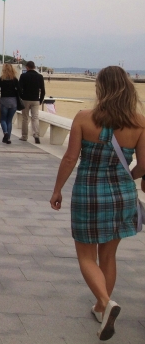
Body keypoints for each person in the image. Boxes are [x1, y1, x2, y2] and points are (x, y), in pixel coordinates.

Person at [49, 66, 145, 341]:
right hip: (122, 195)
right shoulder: (139, 122)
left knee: (86, 256)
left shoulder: (83, 118)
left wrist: (57, 190)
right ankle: (102, 308)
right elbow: (144, 166)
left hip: (88, 193)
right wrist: (129, 175)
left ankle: (105, 301)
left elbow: (70, 159)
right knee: (109, 255)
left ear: (100, 88)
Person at [19, 61, 45, 143]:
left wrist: (22, 97)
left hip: (26, 99)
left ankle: (24, 136)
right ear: (34, 67)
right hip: (35, 100)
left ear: (27, 67)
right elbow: (43, 90)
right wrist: (40, 100)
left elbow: (19, 88)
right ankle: (36, 135)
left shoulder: (23, 76)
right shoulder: (39, 76)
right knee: (35, 118)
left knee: (25, 118)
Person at [0, 63, 20, 144]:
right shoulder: (15, 80)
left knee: (3, 119)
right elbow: (19, 90)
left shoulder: (1, 79)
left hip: (4, 100)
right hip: (13, 101)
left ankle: (5, 133)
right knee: (9, 120)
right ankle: (8, 138)